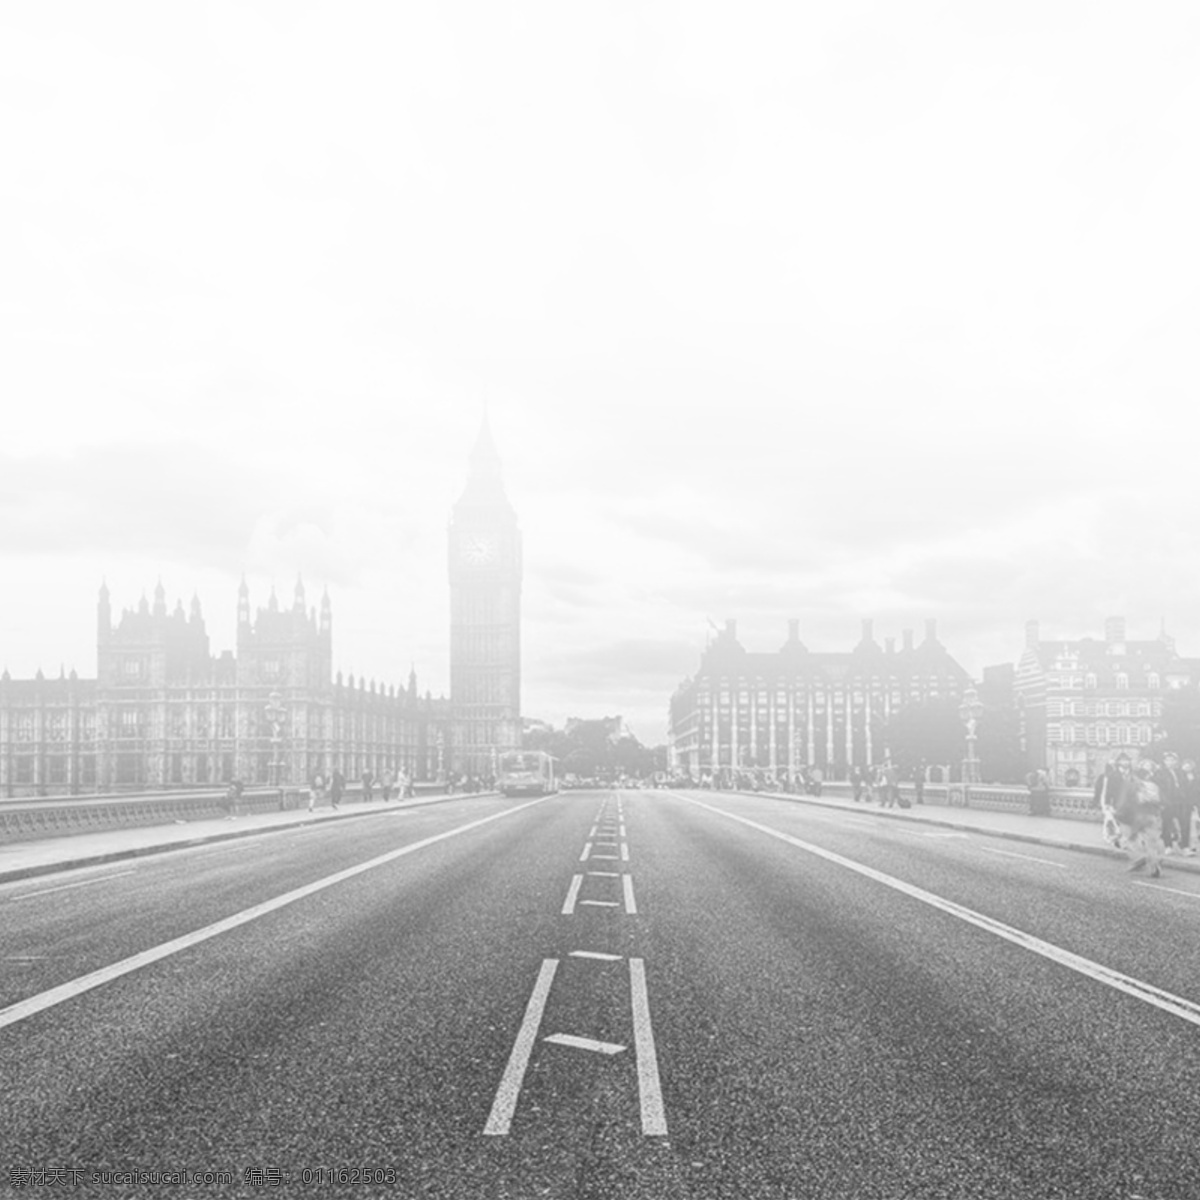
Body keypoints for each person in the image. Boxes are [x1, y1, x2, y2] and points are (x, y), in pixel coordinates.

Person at [1124, 757, 1164, 878]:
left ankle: (1140, 858)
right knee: (1152, 842)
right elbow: (1160, 801)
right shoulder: (1154, 786)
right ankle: (1154, 865)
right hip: (1153, 815)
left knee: (1131, 839)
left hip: (1139, 815)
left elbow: (1132, 800)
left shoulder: (1136, 785)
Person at [1180, 759, 1200, 856]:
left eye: (1189, 766)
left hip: (1194, 804)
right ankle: (1186, 846)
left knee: (1195, 826)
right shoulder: (1179, 777)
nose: (1187, 767)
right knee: (1185, 825)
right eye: (1185, 765)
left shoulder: (1196, 777)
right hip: (1184, 803)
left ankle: (1194, 846)